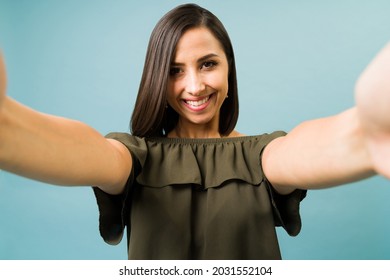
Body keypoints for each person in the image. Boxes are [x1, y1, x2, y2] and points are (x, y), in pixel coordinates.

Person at [0, 3, 389, 259]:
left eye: (207, 64)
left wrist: (367, 133)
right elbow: (82, 150)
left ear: (229, 67)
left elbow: (305, 150)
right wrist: (7, 127)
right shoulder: (133, 158)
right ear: (157, 78)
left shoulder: (264, 156)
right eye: (174, 70)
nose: (195, 86)